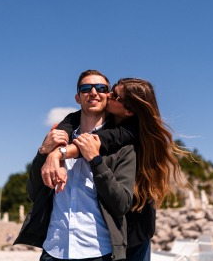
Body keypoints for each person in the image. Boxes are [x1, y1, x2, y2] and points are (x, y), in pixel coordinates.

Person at [40, 77, 188, 261]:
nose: (107, 95)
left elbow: (94, 143)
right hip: (110, 228)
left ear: (128, 110)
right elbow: (72, 119)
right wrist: (54, 143)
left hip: (135, 229)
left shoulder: (131, 131)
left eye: (115, 95)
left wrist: (58, 154)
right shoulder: (109, 120)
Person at [14, 70, 137, 261]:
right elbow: (33, 193)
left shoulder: (122, 147)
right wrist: (43, 152)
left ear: (108, 96)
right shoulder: (57, 137)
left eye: (101, 88)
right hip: (54, 250)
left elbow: (121, 204)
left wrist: (96, 161)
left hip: (99, 252)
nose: (94, 92)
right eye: (86, 88)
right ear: (78, 97)